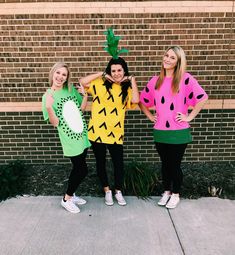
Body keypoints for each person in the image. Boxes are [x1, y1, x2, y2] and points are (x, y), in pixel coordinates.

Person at [139, 46, 208, 209]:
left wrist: (189, 117)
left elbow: (202, 97)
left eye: (172, 57)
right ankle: (167, 191)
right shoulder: (155, 80)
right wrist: (150, 116)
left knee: (174, 165)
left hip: (178, 131)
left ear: (178, 62)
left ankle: (176, 194)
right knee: (165, 164)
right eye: (166, 55)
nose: (167, 59)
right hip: (160, 131)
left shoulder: (186, 79)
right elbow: (142, 101)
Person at [79, 57, 139, 206]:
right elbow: (83, 82)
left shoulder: (127, 88)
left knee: (118, 163)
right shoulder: (99, 83)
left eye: (119, 70)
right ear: (109, 71)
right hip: (96, 131)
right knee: (101, 163)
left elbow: (136, 100)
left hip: (116, 132)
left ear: (124, 71)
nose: (117, 73)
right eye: (113, 70)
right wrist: (102, 74)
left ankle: (118, 191)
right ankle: (107, 191)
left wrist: (132, 79)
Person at [42, 62, 91, 213]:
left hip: (81, 133)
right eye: (58, 73)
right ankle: (66, 198)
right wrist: (49, 107)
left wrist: (85, 96)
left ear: (66, 78)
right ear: (52, 73)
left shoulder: (69, 90)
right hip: (69, 139)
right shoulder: (48, 96)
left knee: (78, 167)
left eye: (64, 74)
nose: (60, 77)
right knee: (82, 170)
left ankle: (72, 194)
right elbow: (54, 123)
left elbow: (81, 109)